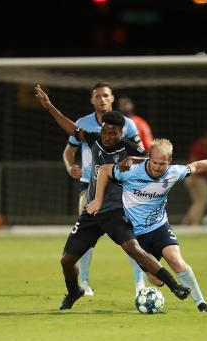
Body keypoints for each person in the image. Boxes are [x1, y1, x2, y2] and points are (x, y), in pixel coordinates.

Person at [35, 85, 191, 310]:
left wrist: (135, 160)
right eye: (105, 131)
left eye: (113, 133)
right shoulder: (93, 139)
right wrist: (49, 106)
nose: (107, 136)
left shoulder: (129, 149)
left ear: (121, 132)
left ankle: (175, 286)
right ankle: (75, 291)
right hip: (92, 210)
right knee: (66, 260)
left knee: (134, 249)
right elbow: (71, 129)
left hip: (117, 210)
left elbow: (151, 160)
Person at [86, 138, 207, 312]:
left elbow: (197, 166)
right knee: (156, 280)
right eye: (154, 162)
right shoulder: (131, 170)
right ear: (148, 158)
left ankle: (201, 303)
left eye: (162, 163)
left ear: (169, 162)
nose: (157, 167)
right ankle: (152, 276)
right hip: (136, 235)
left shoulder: (173, 172)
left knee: (176, 260)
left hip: (159, 226)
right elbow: (105, 170)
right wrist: (98, 200)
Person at [62, 82, 146, 297]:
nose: (102, 99)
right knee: (85, 230)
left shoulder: (127, 124)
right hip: (89, 184)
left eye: (106, 95)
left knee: (131, 234)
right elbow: (69, 152)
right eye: (98, 96)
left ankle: (139, 282)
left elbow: (141, 153)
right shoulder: (83, 123)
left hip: (121, 185)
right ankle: (84, 281)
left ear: (112, 98)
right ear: (92, 99)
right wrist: (70, 166)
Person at [182, 131, 207, 225]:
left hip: (197, 177)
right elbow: (192, 161)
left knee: (197, 202)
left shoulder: (205, 146)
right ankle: (194, 223)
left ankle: (186, 222)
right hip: (196, 177)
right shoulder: (199, 145)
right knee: (201, 201)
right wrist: (191, 177)